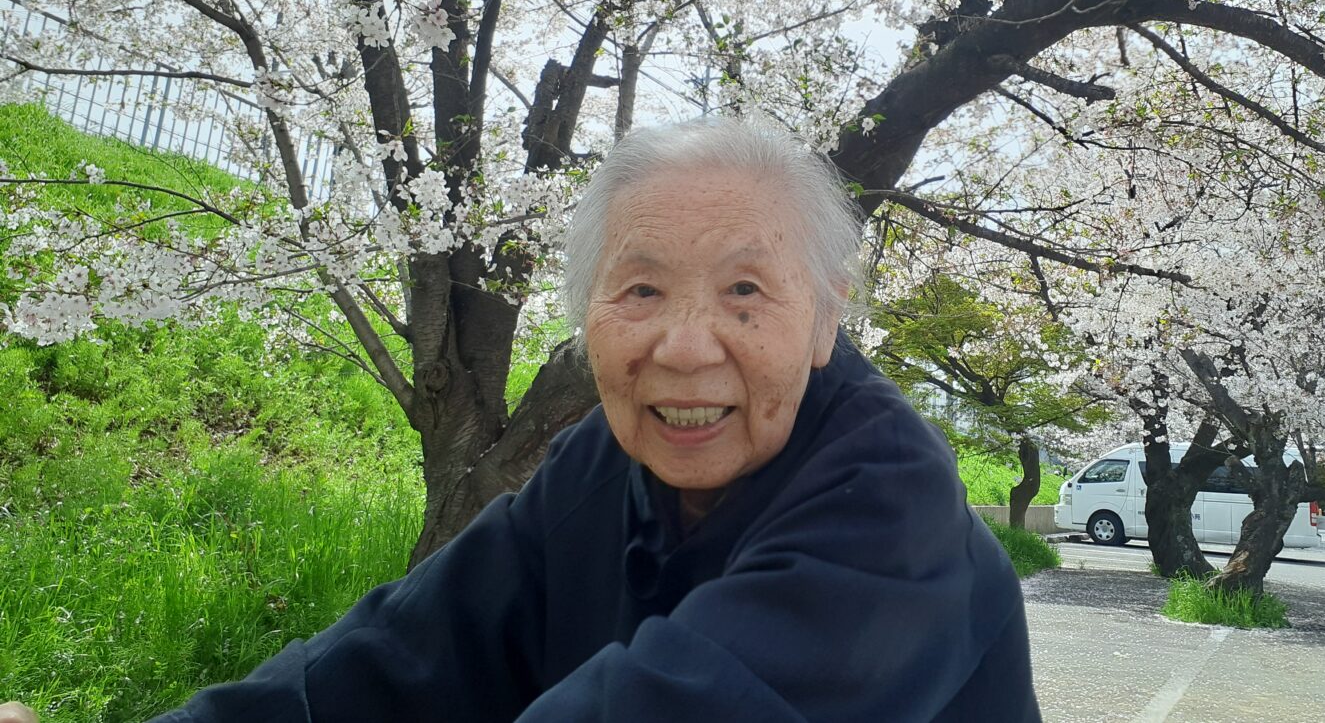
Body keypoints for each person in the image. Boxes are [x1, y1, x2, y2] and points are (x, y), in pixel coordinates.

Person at [8, 118, 1041, 721]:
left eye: (744, 291)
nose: (685, 347)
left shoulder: (891, 501)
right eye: (640, 290)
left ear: (825, 318)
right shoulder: (602, 464)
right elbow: (391, 660)